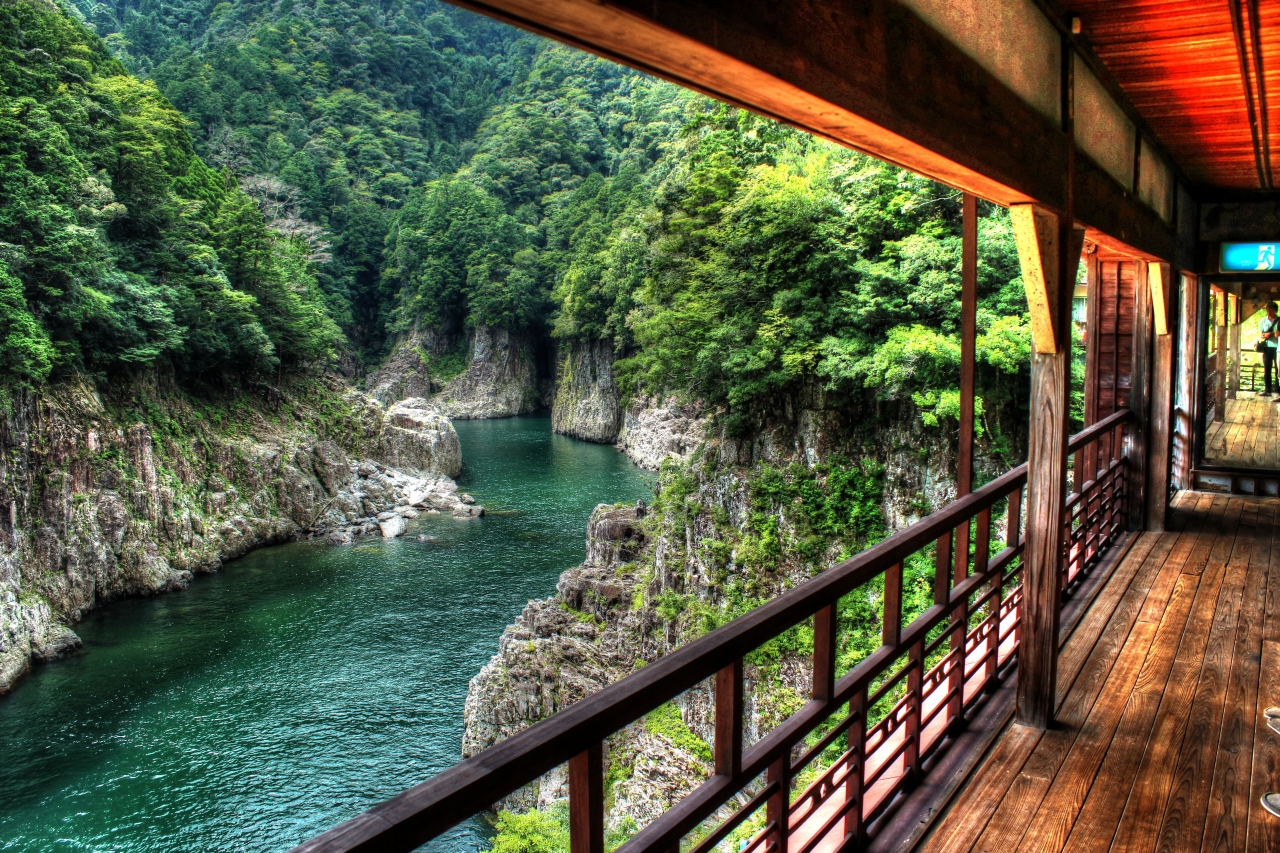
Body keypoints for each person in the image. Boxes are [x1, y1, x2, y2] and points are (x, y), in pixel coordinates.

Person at [1262, 301, 1280, 396]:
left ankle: (1278, 391)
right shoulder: (1263, 321)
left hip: (1278, 348)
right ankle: (1267, 390)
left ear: (1276, 311)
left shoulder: (1279, 320)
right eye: (1267, 310)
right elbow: (1261, 333)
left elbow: (1278, 333)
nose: (1269, 312)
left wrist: (1271, 334)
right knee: (1266, 369)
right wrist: (1264, 335)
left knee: (1278, 370)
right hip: (1267, 347)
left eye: (1271, 310)